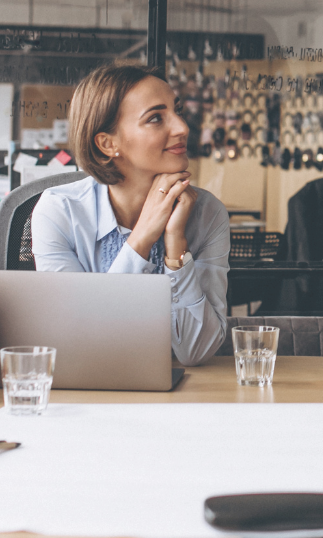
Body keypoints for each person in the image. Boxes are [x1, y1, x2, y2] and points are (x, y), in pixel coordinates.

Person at [28, 62, 230, 366]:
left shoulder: (207, 213)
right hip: (85, 395)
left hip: (181, 398)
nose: (182, 128)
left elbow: (197, 352)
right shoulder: (59, 212)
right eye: (155, 118)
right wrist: (143, 238)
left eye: (177, 112)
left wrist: (176, 246)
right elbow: (85, 343)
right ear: (108, 144)